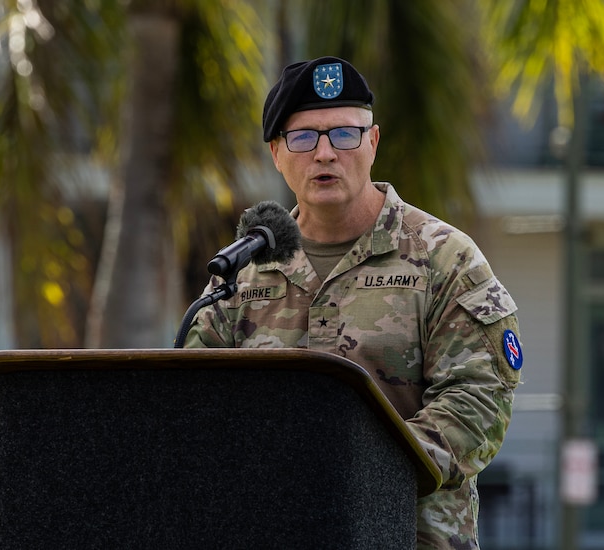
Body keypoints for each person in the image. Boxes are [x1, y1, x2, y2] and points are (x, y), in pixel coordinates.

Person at [184, 55, 523, 549]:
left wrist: (361, 475)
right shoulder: (246, 269)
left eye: (344, 134)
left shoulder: (444, 258)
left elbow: (477, 401)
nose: (325, 154)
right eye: (304, 138)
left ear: (373, 144)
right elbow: (191, 403)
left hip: (408, 536)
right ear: (276, 154)